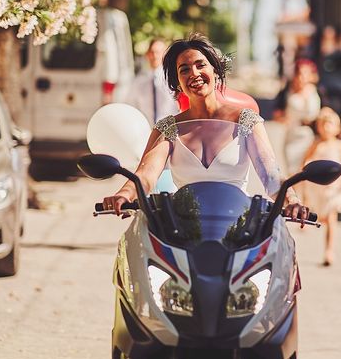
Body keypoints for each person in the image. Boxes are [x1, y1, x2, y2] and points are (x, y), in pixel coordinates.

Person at [103, 33, 308, 221]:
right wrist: (125, 193)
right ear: (177, 83)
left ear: (215, 71)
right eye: (184, 69)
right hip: (182, 231)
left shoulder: (246, 120)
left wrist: (292, 200)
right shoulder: (167, 128)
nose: (194, 73)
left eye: (201, 65)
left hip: (236, 227)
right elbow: (146, 174)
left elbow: (271, 174)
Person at [300, 107, 341, 266]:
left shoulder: (340, 146)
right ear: (318, 127)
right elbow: (305, 163)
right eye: (324, 124)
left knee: (331, 216)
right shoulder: (316, 145)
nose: (327, 127)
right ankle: (307, 219)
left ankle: (329, 250)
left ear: (338, 128)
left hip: (334, 188)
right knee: (320, 215)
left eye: (331, 124)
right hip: (318, 188)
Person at [273, 59, 322, 175]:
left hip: (309, 137)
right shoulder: (286, 91)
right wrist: (284, 119)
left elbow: (322, 113)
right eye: (299, 73)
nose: (302, 77)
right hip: (291, 135)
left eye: (305, 74)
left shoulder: (317, 92)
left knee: (305, 170)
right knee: (291, 171)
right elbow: (277, 113)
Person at [126, 38, 177, 124]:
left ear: (165, 55)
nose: (154, 56)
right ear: (147, 54)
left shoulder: (173, 79)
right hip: (146, 130)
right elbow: (131, 106)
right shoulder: (139, 81)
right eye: (152, 52)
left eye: (158, 52)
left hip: (170, 129)